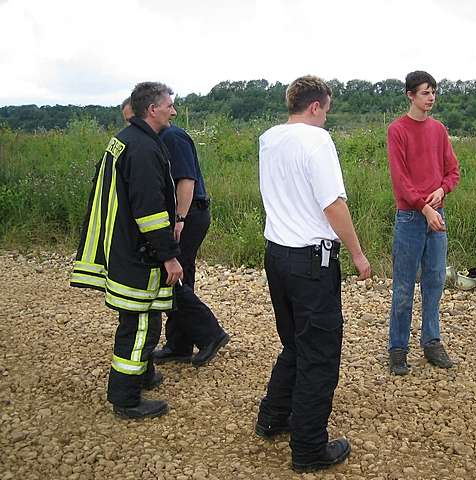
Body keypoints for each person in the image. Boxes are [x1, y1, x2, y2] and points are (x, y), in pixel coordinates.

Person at [255, 75, 371, 473]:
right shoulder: (317, 141)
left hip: (277, 255)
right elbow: (333, 204)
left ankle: (273, 416)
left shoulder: (269, 138)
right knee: (319, 355)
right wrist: (357, 254)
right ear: (316, 106)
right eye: (327, 110)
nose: (326, 119)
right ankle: (308, 449)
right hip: (311, 261)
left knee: (294, 342)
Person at [71, 82, 183, 419]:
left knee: (141, 317)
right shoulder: (144, 149)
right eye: (169, 105)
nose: (173, 111)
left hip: (123, 249)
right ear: (152, 110)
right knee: (140, 324)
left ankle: (144, 373)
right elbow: (149, 213)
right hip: (139, 254)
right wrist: (169, 255)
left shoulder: (126, 140)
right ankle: (126, 398)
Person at [122, 98, 229, 367]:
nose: (129, 126)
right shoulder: (153, 140)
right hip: (180, 216)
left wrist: (179, 218)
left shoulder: (173, 137)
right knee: (175, 277)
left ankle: (210, 334)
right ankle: (179, 344)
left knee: (172, 277)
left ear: (146, 113)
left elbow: (187, 180)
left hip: (189, 215)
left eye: (131, 119)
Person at [386, 71, 460, 375]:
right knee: (404, 287)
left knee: (434, 283)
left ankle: (431, 342)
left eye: (433, 92)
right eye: (425, 92)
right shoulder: (397, 130)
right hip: (410, 218)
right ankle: (398, 348)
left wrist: (442, 190)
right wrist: (424, 209)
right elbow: (400, 180)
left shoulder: (439, 130)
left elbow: (453, 171)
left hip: (436, 213)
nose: (431, 98)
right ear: (410, 95)